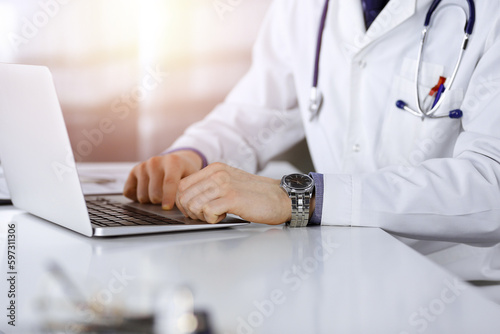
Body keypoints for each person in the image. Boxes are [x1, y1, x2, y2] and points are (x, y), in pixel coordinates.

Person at [124, 0, 500, 243]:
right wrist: (193, 156)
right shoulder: (305, 8)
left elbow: (491, 185)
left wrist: (301, 196)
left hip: (455, 282)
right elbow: (258, 111)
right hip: (339, 263)